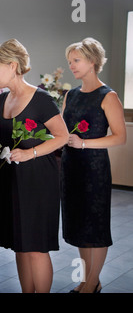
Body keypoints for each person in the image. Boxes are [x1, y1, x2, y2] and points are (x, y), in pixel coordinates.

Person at [0, 39, 68, 293]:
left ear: (13, 66)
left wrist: (30, 152)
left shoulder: (41, 99)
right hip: (10, 182)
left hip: (38, 181)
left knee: (35, 248)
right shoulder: (1, 101)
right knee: (19, 246)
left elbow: (62, 137)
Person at [61, 37, 126, 293]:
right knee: (79, 225)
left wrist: (84, 144)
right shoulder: (71, 94)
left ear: (93, 61)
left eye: (76, 61)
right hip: (70, 167)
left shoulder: (108, 96)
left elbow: (120, 137)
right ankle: (89, 281)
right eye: (70, 62)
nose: (71, 66)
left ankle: (91, 284)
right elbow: (63, 130)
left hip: (94, 169)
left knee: (95, 225)